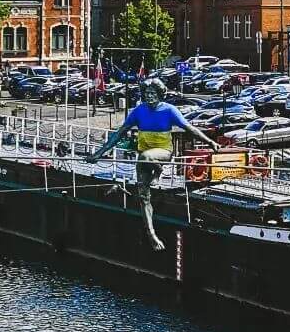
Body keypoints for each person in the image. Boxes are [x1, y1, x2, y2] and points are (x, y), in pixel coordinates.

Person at [91, 78, 218, 251]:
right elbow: (119, 133)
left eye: (153, 93)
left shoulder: (169, 110)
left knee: (146, 156)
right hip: (144, 158)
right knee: (144, 197)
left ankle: (158, 172)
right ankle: (151, 233)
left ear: (160, 94)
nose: (149, 96)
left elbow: (190, 128)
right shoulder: (139, 111)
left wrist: (210, 142)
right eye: (146, 93)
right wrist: (98, 154)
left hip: (163, 153)